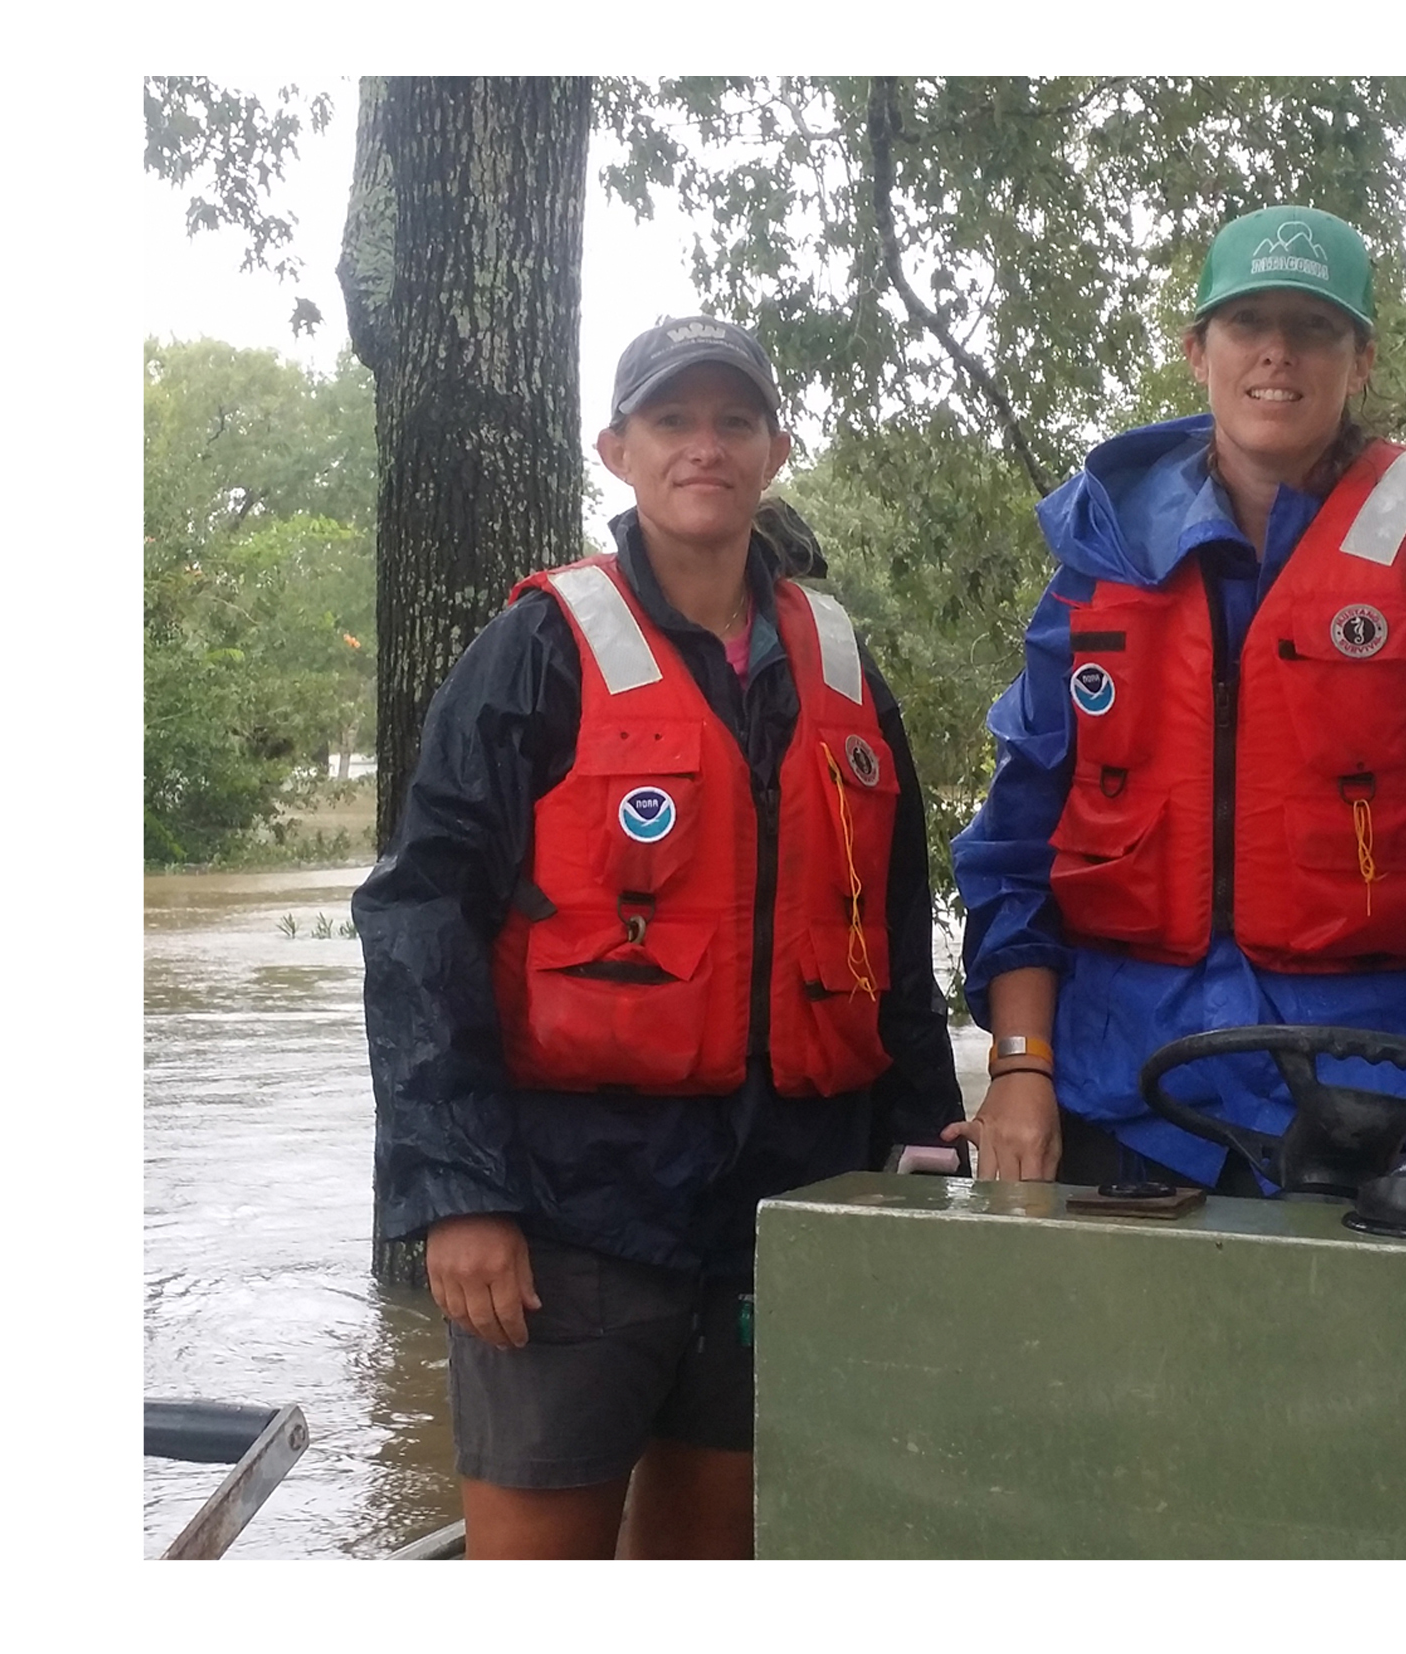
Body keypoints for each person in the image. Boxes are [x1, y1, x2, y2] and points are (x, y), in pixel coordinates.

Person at [355, 316, 962, 1559]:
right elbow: (421, 918)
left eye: (734, 421)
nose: (705, 447)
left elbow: (889, 932)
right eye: (673, 422)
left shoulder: (841, 666)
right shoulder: (538, 648)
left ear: (775, 448)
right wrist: (456, 1192)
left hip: (784, 1204)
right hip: (573, 1211)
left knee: (711, 1567)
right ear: (616, 448)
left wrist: (920, 1140)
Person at [952, 205, 1406, 1193]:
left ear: (1359, 360)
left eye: (1314, 326)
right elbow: (1019, 838)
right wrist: (1020, 1065)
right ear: (1198, 350)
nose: (1278, 352)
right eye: (1247, 323)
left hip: (1393, 1102)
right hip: (1134, 1098)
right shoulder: (1100, 567)